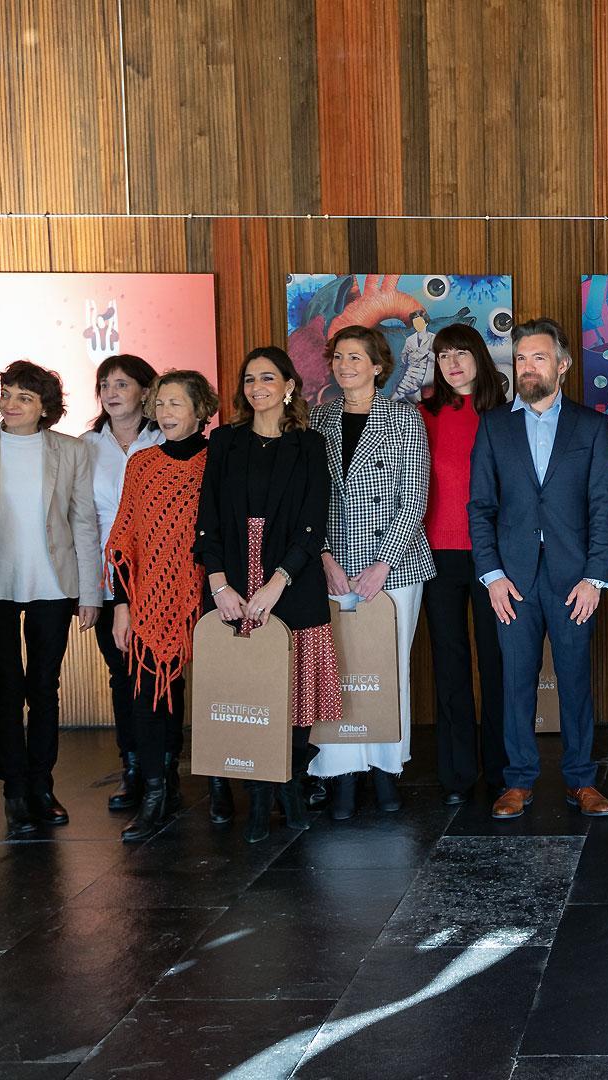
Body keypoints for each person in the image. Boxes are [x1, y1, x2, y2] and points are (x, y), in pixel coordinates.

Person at [468, 318, 608, 820]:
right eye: (521, 359)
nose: (528, 367)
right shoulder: (493, 426)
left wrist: (596, 577)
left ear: (563, 364)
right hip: (512, 582)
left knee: (575, 680)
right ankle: (518, 781)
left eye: (538, 358)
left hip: (574, 580)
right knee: (515, 682)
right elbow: (480, 507)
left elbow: (602, 505)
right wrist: (492, 576)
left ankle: (581, 780)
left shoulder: (591, 426)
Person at [199, 347, 333, 841]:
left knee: (296, 698)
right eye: (250, 379)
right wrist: (219, 585)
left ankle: (291, 785)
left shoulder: (311, 445)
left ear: (289, 386)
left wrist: (279, 580)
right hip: (232, 580)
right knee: (248, 694)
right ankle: (258, 796)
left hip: (291, 583)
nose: (257, 387)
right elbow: (207, 520)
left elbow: (313, 524)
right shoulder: (224, 442)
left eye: (268, 378)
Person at [0, 361, 101, 839]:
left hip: (53, 585)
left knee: (44, 687)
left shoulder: (72, 450)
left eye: (23, 397)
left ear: (45, 407)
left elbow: (84, 521)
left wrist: (91, 591)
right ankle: (14, 792)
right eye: (6, 393)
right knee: (6, 689)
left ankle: (43, 786)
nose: (10, 404)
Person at [313, 326, 435, 818]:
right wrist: (324, 556)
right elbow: (308, 499)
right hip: (332, 569)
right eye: (339, 357)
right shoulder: (318, 420)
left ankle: (386, 771)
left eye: (356, 357)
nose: (345, 366)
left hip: (396, 568)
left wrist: (382, 564)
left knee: (387, 672)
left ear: (379, 365)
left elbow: (415, 496)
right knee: (336, 673)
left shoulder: (404, 419)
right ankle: (341, 774)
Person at [108, 371, 218, 842]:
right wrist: (122, 604)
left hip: (213, 591)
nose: (167, 412)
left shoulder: (221, 459)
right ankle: (158, 790)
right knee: (151, 699)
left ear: (199, 410)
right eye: (161, 403)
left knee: (220, 692)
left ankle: (222, 785)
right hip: (151, 597)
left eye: (177, 404)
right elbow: (125, 537)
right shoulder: (143, 464)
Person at [419, 322, 511, 807]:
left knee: (497, 664)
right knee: (450, 664)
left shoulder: (506, 414)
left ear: (479, 355)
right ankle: (456, 774)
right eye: (442, 355)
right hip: (435, 555)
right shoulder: (421, 416)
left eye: (460, 353)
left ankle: (501, 770)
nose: (451, 363)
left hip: (494, 557)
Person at [82, 354, 164, 814]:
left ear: (145, 391)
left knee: (162, 676)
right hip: (108, 576)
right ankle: (131, 767)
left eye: (122, 383)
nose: (112, 392)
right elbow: (80, 520)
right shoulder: (84, 446)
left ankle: (163, 768)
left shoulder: (165, 438)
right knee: (123, 674)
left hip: (161, 577)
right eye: (105, 385)